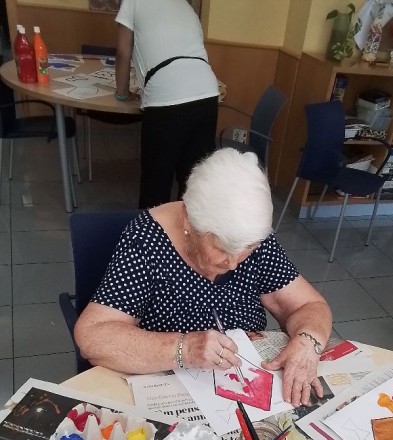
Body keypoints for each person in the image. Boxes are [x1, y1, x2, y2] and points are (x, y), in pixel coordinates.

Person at [74, 149, 332, 407]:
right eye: (222, 249)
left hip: (247, 385)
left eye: (248, 249)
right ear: (188, 219)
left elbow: (308, 305)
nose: (234, 263)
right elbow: (93, 337)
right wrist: (185, 349)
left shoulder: (249, 236)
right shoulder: (146, 241)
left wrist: (307, 342)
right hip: (170, 391)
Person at [115, 0, 219, 209]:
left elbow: (123, 52)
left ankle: (153, 229)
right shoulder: (186, 6)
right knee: (194, 186)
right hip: (207, 92)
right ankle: (188, 230)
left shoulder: (133, 1)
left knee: (156, 184)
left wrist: (122, 93)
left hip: (166, 95)